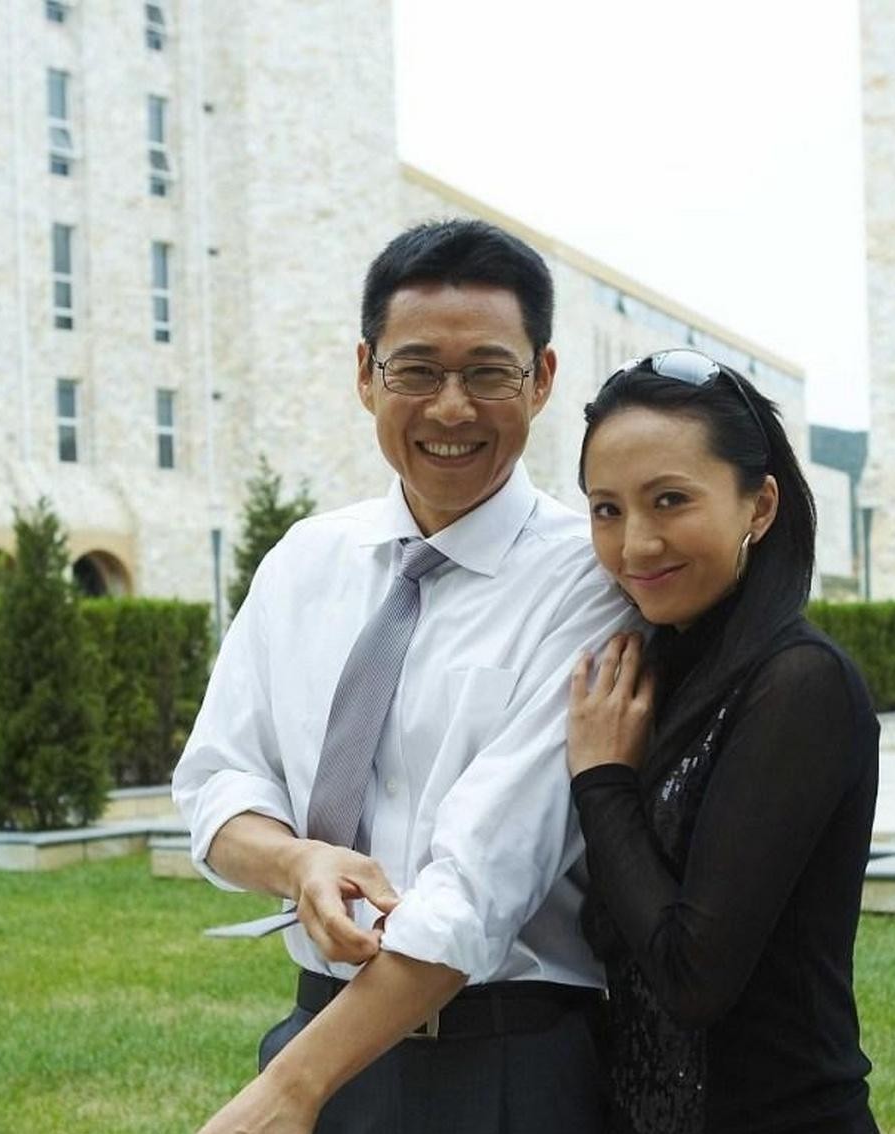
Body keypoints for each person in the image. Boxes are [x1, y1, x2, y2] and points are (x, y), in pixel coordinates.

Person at [172, 218, 639, 1134]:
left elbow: (483, 882)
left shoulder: (588, 580)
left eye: (488, 373)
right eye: (417, 371)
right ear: (365, 374)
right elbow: (216, 783)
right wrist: (298, 861)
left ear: (542, 379)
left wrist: (287, 1093)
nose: (451, 409)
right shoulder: (304, 561)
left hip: (503, 1066)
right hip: (317, 1029)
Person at [566, 349, 880, 1134]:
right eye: (606, 509)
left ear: (759, 506)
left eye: (669, 500)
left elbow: (691, 977)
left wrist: (602, 780)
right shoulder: (661, 672)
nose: (635, 545)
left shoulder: (798, 684)